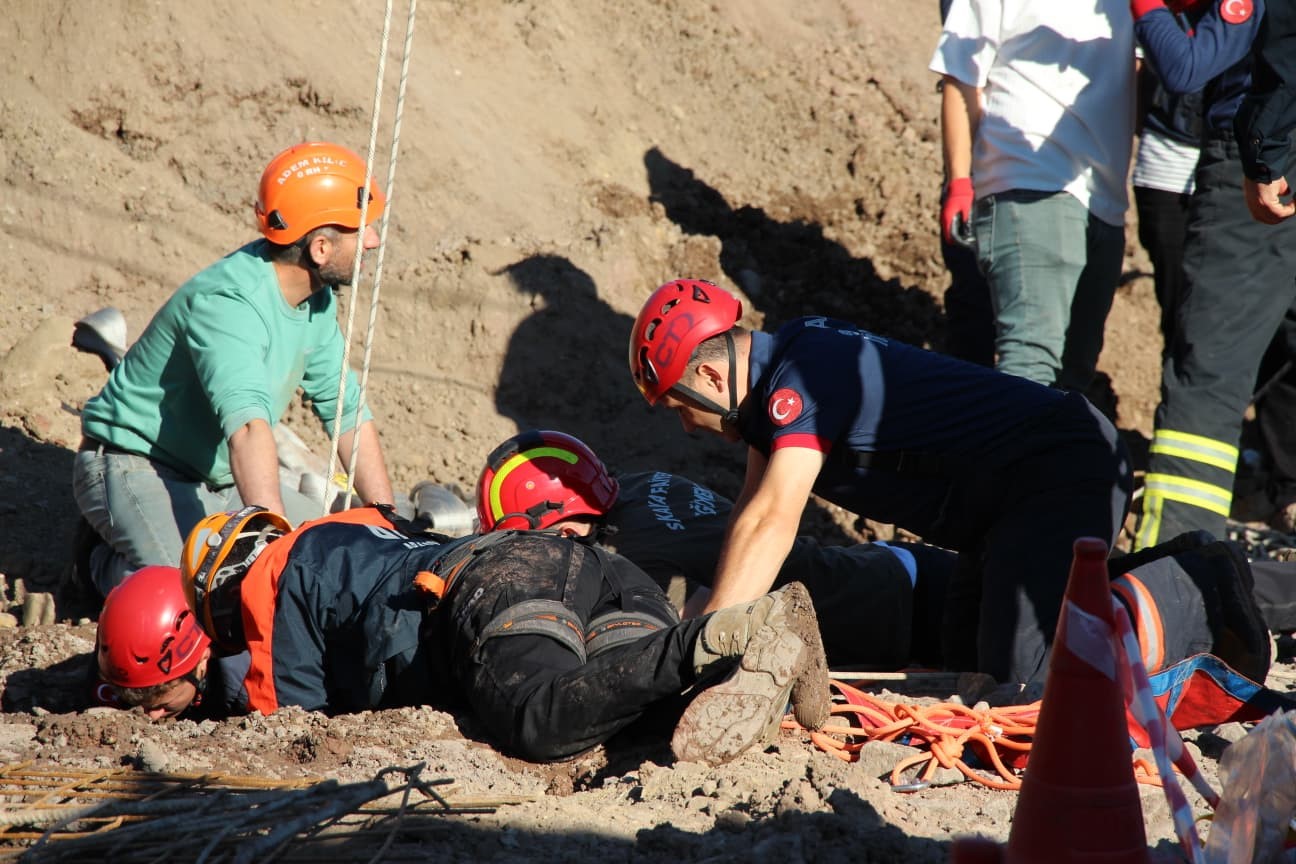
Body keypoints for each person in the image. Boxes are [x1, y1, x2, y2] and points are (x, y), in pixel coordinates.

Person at [628, 278, 1132, 686]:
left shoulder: (801, 374)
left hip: (1063, 466)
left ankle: (1169, 607)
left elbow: (773, 519)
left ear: (713, 379)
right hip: (1002, 510)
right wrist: (705, 616)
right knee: (960, 671)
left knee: (1017, 689)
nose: (689, 426)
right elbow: (750, 508)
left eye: (681, 407)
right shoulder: (777, 378)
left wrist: (704, 650)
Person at [477, 428, 1275, 684]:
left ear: (560, 526)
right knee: (1080, 601)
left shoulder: (621, 551)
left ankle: (1221, 578)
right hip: (901, 575)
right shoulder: (641, 487)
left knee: (1061, 660)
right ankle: (1215, 569)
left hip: (900, 614)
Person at [97, 505, 830, 766]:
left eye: (157, 697)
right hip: (591, 569)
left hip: (498, 587)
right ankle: (751, 653)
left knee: (537, 718)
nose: (159, 713)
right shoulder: (341, 528)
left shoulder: (267, 593)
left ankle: (740, 628)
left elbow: (282, 729)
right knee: (639, 716)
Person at [74, 141, 396, 597]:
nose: (374, 241)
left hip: (218, 478)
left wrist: (386, 518)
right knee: (201, 597)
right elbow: (246, 428)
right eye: (361, 230)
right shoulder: (229, 306)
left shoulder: (315, 299)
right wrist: (270, 552)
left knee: (330, 557)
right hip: (135, 465)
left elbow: (345, 410)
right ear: (320, 248)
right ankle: (98, 567)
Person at [1128, 0, 1296, 549]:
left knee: (1207, 380)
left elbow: (1188, 67)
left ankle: (1166, 578)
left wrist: (1264, 151)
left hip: (1271, 163)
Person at [930, 0, 1135, 393]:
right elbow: (961, 75)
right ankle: (1001, 454)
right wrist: (959, 180)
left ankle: (1024, 453)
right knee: (1030, 363)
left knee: (1072, 375)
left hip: (1104, 198)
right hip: (1027, 183)